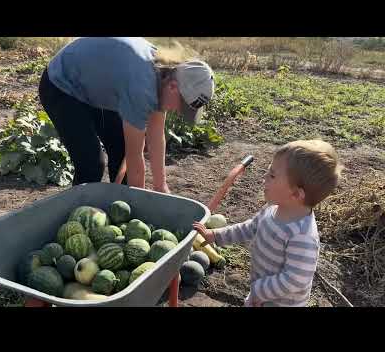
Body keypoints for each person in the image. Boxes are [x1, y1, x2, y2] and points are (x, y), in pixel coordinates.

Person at [38, 37, 214, 192]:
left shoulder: (164, 75)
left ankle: (119, 206)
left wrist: (161, 186)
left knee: (120, 151)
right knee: (91, 165)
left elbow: (156, 136)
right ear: (173, 87)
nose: (178, 110)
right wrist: (139, 207)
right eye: (181, 105)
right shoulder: (142, 86)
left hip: (94, 84)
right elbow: (135, 156)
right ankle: (79, 214)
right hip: (62, 84)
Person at [193, 140, 343, 307]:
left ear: (296, 194)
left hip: (281, 303)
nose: (265, 176)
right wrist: (215, 235)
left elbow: (295, 280)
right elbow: (249, 228)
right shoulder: (272, 209)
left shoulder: (302, 236)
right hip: (262, 294)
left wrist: (259, 291)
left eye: (272, 175)